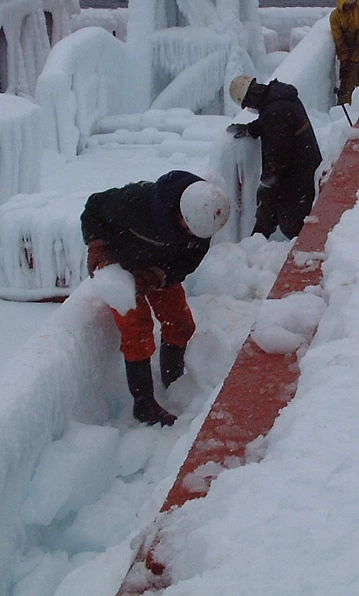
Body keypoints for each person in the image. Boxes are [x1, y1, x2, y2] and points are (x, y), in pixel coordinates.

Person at [81, 171, 230, 426]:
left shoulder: (203, 224)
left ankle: (173, 380)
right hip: (122, 270)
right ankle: (144, 404)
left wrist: (158, 277)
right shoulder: (136, 203)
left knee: (180, 324)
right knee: (137, 331)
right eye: (188, 230)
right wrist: (97, 247)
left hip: (159, 269)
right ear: (180, 213)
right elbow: (93, 208)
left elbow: (188, 262)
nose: (193, 238)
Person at [226, 76, 322, 239]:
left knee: (291, 223)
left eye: (247, 105)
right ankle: (258, 238)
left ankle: (308, 249)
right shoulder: (279, 96)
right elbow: (275, 124)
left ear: (250, 98)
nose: (250, 109)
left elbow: (277, 156)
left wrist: (266, 185)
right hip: (306, 164)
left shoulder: (275, 110)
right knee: (281, 213)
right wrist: (252, 129)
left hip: (299, 172)